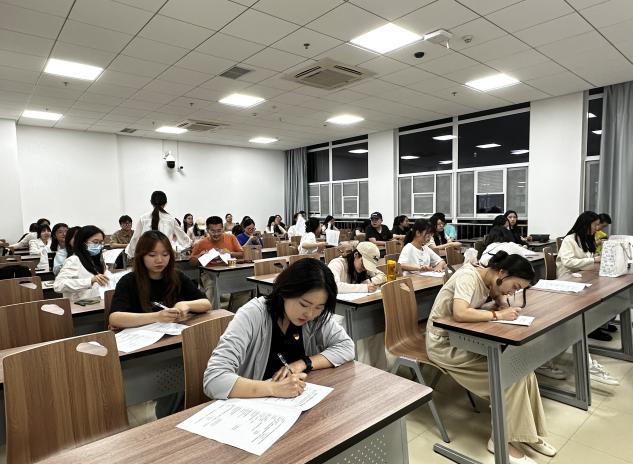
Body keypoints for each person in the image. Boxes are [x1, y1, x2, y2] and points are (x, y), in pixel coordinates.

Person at [427, 251, 556, 463]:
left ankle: (526, 434)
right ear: (502, 273)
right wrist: (498, 314)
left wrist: (503, 302)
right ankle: (500, 441)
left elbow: (496, 294)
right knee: (509, 377)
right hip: (444, 344)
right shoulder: (468, 276)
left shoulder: (490, 279)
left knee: (523, 368)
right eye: (515, 287)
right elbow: (460, 313)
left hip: (462, 339)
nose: (513, 292)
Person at [203, 259, 355, 400]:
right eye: (304, 304)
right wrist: (273, 388)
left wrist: (303, 363)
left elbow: (346, 347)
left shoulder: (315, 318)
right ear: (286, 291)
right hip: (254, 406)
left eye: (319, 307)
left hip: (295, 402)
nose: (310, 314)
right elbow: (214, 379)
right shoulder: (252, 314)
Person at [555, 211, 618, 384]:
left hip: (582, 279)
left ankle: (596, 326)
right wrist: (593, 260)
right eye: (595, 224)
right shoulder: (570, 240)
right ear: (586, 224)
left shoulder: (587, 239)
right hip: (568, 281)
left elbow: (588, 259)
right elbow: (568, 262)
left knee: (603, 294)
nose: (598, 228)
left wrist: (595, 259)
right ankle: (586, 359)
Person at [190, 216, 244, 302]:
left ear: (223, 229)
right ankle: (211, 310)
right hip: (209, 275)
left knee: (243, 287)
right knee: (212, 288)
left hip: (229, 272)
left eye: (219, 231)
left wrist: (230, 253)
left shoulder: (231, 237)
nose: (216, 234)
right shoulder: (201, 243)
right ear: (207, 230)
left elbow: (242, 254)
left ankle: (234, 310)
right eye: (212, 231)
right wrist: (199, 255)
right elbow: (191, 262)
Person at [126, 191, 191, 258]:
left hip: (147, 256)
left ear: (151, 202)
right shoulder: (171, 219)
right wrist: (191, 244)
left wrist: (131, 255)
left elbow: (135, 239)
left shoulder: (143, 218)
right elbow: (184, 239)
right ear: (165, 203)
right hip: (165, 257)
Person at [54, 225, 111, 301]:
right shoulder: (74, 260)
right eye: (95, 242)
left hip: (99, 302)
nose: (99, 246)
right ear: (82, 242)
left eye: (101, 243)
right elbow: (58, 285)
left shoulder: (98, 260)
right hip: (79, 305)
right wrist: (90, 281)